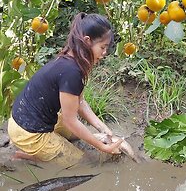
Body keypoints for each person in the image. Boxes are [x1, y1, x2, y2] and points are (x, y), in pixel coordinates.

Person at [8, 12, 123, 166]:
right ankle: (31, 156)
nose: (104, 53)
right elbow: (70, 121)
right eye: (102, 47)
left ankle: (43, 152)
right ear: (87, 41)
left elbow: (80, 102)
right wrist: (102, 147)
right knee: (83, 164)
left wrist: (103, 127)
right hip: (28, 132)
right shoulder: (72, 72)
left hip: (30, 118)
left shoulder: (72, 59)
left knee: (73, 135)